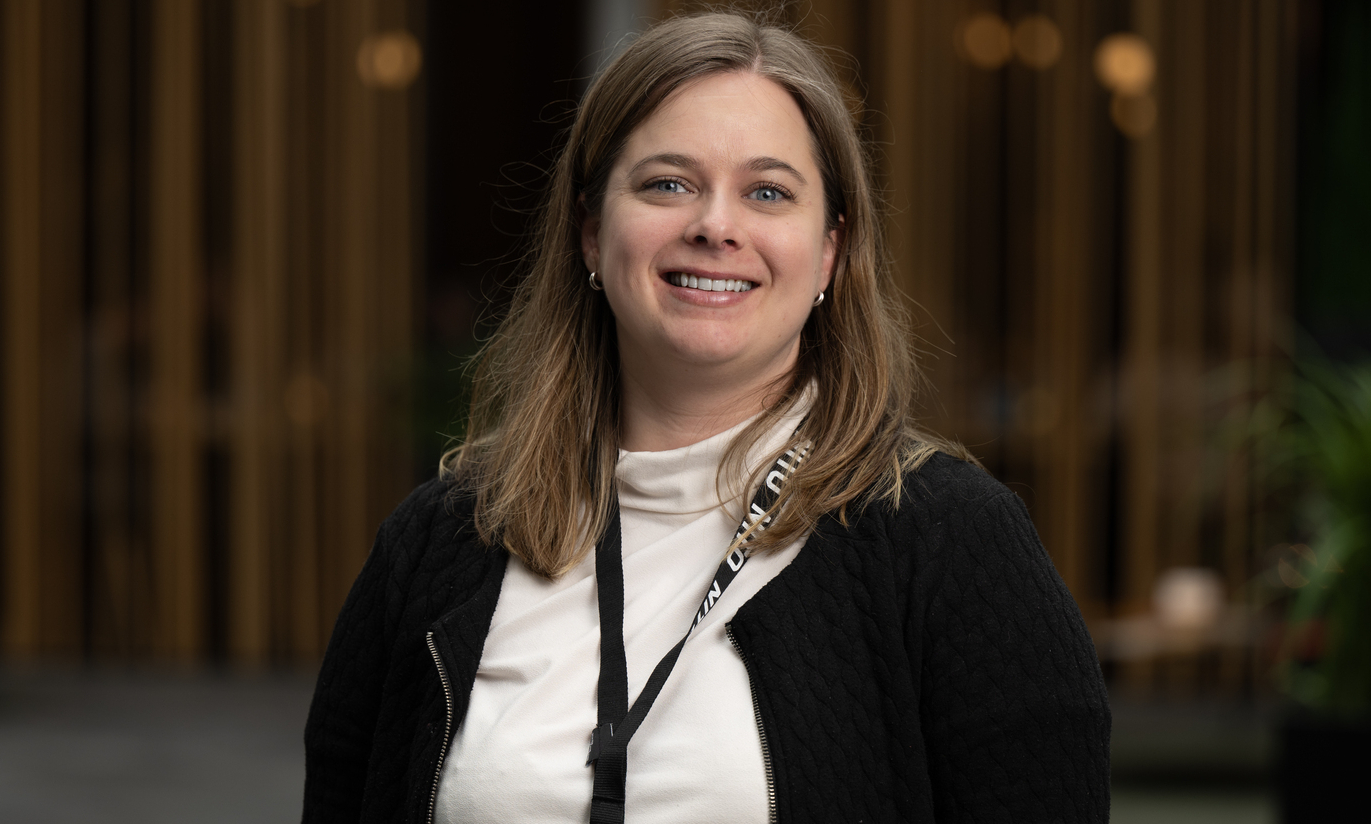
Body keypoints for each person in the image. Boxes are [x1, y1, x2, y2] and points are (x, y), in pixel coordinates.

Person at [302, 12, 1109, 823]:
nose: (714, 225)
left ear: (828, 252)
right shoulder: (441, 543)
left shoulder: (950, 544)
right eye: (667, 183)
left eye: (767, 192)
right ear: (590, 233)